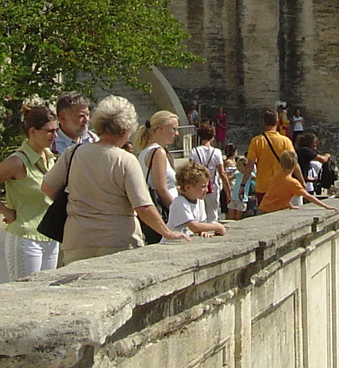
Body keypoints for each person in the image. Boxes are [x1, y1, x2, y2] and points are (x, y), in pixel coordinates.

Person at [40, 95, 185, 264]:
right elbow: (143, 206)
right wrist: (167, 232)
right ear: (125, 130)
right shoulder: (125, 160)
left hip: (77, 239)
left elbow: (48, 187)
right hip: (117, 241)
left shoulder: (73, 153)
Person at [0, 105, 60, 280]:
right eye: (50, 131)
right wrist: (5, 210)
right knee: (25, 294)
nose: (54, 136)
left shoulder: (50, 157)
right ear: (33, 131)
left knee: (47, 294)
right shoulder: (17, 161)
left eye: (56, 130)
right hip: (26, 236)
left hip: (50, 236)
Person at [136, 111, 181, 242]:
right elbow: (161, 189)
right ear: (160, 128)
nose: (176, 133)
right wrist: (179, 213)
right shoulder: (158, 152)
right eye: (174, 129)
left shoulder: (145, 151)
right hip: (166, 215)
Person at [258, 149, 337, 213]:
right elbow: (309, 197)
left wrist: (289, 205)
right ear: (295, 164)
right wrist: (326, 206)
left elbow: (279, 193)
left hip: (263, 208)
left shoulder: (277, 174)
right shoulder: (293, 182)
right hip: (271, 212)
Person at [246, 110, 294, 211]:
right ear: (277, 121)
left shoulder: (256, 141)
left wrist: (242, 185)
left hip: (263, 186)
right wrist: (301, 181)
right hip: (281, 186)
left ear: (264, 122)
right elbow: (294, 163)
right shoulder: (285, 141)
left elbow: (250, 165)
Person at [167, 161, 227, 237]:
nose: (207, 190)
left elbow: (201, 224)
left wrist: (203, 231)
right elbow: (193, 226)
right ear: (188, 187)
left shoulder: (200, 202)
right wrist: (218, 227)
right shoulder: (180, 202)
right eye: (203, 186)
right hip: (173, 243)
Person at [188, 122, 228, 222]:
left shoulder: (194, 151)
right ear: (212, 136)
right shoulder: (216, 152)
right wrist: (228, 189)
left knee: (198, 213)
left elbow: (190, 169)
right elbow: (222, 173)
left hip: (197, 186)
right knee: (213, 214)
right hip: (212, 186)